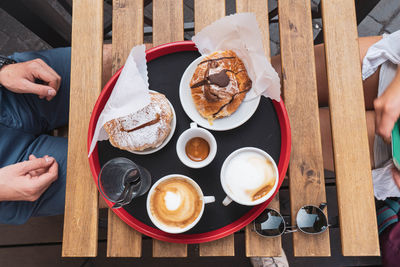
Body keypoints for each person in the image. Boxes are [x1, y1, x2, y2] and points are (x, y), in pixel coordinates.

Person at [0, 45, 111, 225]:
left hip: (8, 93)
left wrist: (3, 68)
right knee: (136, 173)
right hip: (7, 171)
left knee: (136, 66)